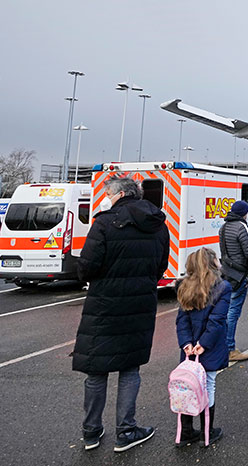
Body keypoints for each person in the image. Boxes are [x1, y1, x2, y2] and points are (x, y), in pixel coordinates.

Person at [73, 176, 170, 453]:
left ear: (118, 194)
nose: (105, 197)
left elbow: (86, 267)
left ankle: (91, 432)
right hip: (140, 305)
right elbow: (160, 265)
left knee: (96, 371)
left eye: (107, 193)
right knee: (130, 369)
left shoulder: (104, 223)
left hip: (104, 306)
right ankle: (126, 430)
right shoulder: (157, 224)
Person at [175, 248, 231, 447]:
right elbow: (217, 321)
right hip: (210, 346)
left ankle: (186, 431)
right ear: (212, 263)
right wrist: (203, 344)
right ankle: (207, 432)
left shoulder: (183, 286)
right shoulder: (222, 287)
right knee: (208, 384)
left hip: (189, 349)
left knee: (187, 385)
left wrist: (187, 343)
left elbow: (181, 320)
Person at [218, 200, 248, 362]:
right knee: (233, 312)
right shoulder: (242, 227)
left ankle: (221, 346)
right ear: (244, 213)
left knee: (224, 310)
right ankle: (230, 349)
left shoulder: (224, 227)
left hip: (226, 272)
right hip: (239, 274)